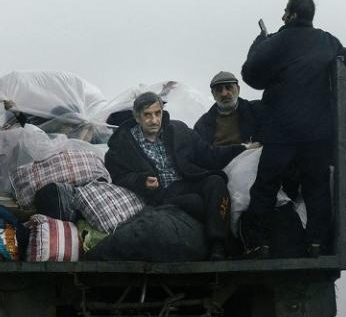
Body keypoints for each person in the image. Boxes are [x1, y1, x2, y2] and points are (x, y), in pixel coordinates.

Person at [240, 0, 346, 258]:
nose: (283, 16)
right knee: (316, 187)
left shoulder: (277, 41)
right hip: (317, 134)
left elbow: (250, 74)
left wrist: (259, 43)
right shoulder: (327, 40)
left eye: (285, 12)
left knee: (266, 186)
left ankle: (259, 243)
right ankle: (316, 243)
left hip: (281, 132)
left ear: (292, 14)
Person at [105, 91, 258, 260]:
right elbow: (118, 176)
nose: (154, 120)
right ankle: (227, 247)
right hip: (162, 194)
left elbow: (207, 153)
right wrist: (141, 181)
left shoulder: (178, 130)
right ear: (137, 117)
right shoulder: (123, 145)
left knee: (216, 181)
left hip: (186, 182)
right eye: (147, 115)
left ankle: (218, 246)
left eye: (158, 113)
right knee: (196, 202)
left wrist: (242, 148)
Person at [194, 71, 262, 146]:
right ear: (213, 94)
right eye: (219, 90)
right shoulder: (203, 125)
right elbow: (200, 152)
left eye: (229, 87)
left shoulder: (257, 110)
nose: (224, 94)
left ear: (238, 89)